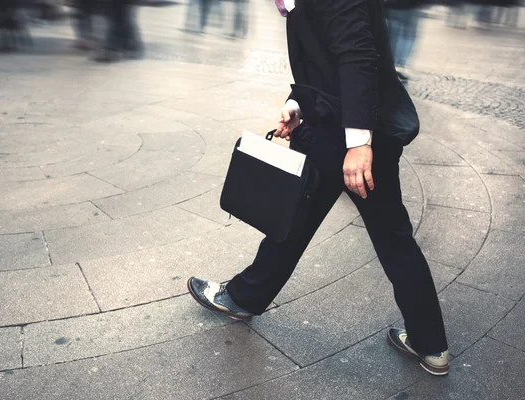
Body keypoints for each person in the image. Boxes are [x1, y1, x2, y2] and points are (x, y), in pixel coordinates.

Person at [187, 0, 450, 376]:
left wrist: (359, 145)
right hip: (333, 126)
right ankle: (431, 344)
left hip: (348, 137)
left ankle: (244, 295)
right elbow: (326, 59)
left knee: (335, 225)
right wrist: (296, 104)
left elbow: (358, 57)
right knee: (330, 224)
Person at [384, 0, 425, 81]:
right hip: (410, 6)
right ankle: (401, 65)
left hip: (391, 5)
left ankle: (391, 65)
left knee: (393, 36)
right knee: (408, 35)